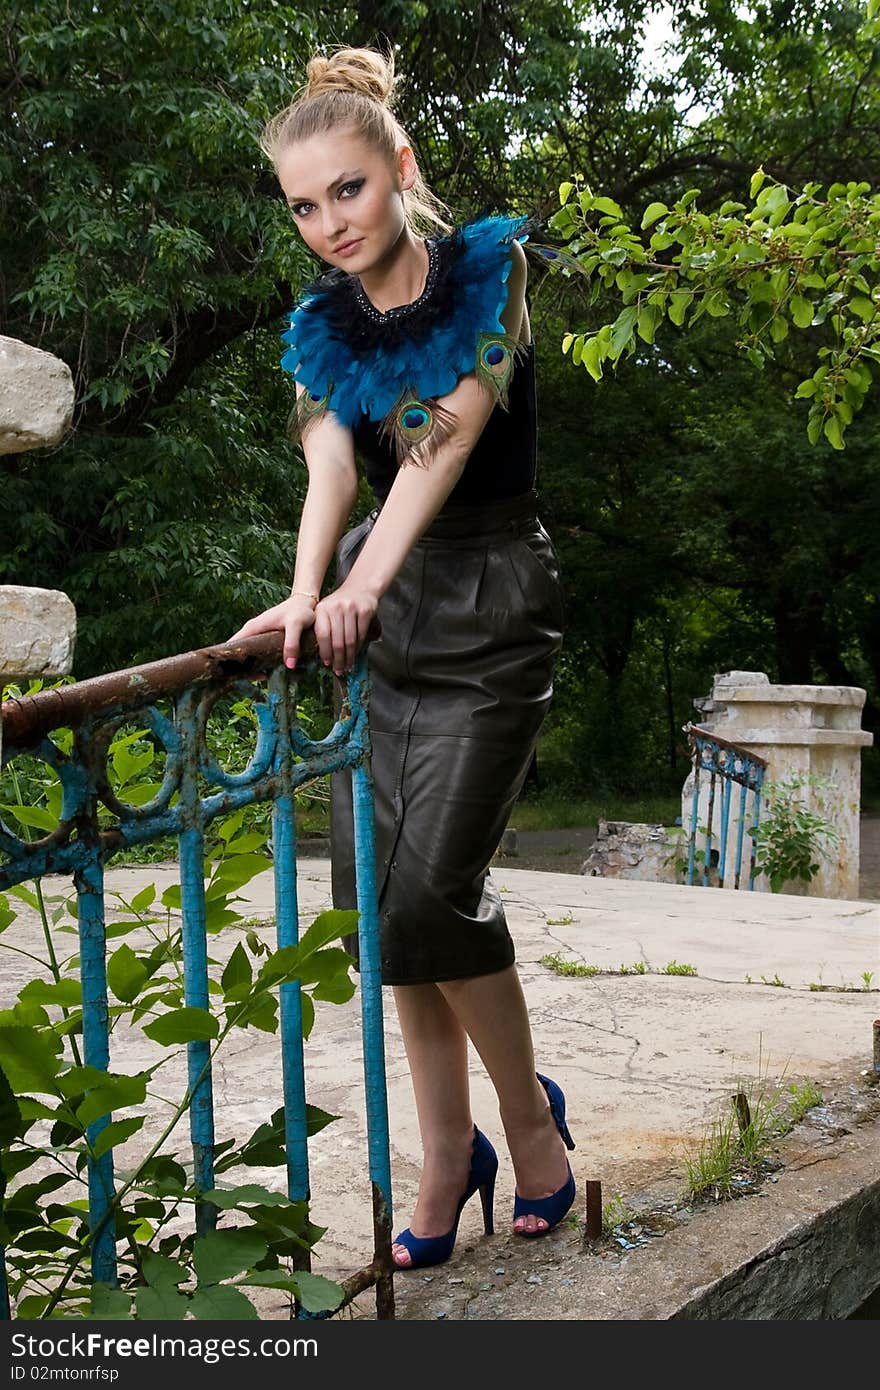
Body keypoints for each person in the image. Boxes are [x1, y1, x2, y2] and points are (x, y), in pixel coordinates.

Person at [230, 45, 575, 1271]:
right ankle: (447, 1157)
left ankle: (529, 1126)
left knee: (435, 897)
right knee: (384, 919)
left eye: (349, 192)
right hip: (392, 613)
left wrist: (358, 587)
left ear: (400, 169)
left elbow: (436, 443)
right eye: (304, 205)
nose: (328, 224)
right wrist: (302, 591)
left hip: (489, 606)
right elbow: (337, 467)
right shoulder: (322, 329)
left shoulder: (492, 272)